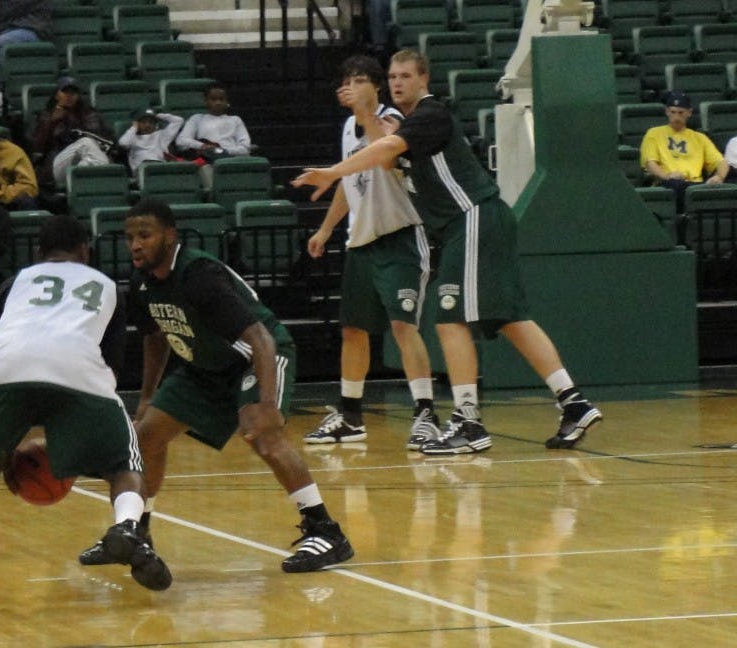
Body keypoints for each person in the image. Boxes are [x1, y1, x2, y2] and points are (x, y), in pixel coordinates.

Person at [292, 49, 602, 455]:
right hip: (478, 222)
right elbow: (384, 163)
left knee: (448, 319)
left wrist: (333, 171)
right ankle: (573, 402)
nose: (398, 82)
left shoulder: (429, 115)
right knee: (511, 318)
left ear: (424, 78)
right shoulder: (396, 126)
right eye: (393, 76)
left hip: (471, 217)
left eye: (406, 75)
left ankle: (468, 422)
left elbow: (386, 152)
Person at [77, 198, 354, 573]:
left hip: (254, 357)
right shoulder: (142, 283)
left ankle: (325, 530)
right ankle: (136, 531)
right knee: (145, 439)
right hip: (204, 367)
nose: (136, 244)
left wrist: (267, 403)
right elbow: (155, 337)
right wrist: (146, 397)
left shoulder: (198, 274)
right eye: (129, 238)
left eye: (144, 235)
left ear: (170, 236)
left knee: (262, 434)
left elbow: (260, 338)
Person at [0, 214, 171, 600]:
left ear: (38, 253)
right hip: (77, 368)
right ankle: (127, 528)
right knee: (125, 463)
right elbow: (111, 364)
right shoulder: (106, 286)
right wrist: (69, 430)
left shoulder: (13, 283)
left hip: (7, 368)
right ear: (85, 250)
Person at [304, 55, 440, 451]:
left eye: (360, 79)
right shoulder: (349, 127)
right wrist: (327, 228)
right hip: (361, 242)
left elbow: (386, 154)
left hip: (399, 236)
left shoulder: (393, 118)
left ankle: (425, 414)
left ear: (376, 86)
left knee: (403, 327)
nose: (351, 85)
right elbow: (350, 178)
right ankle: (350, 414)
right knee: (352, 330)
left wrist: (365, 112)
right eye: (347, 80)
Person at [640, 91, 729, 214]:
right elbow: (650, 164)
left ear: (689, 113)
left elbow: (721, 162)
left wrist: (719, 177)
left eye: (681, 112)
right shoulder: (654, 133)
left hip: (695, 185)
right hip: (667, 183)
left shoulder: (699, 137)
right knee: (677, 185)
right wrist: (667, 176)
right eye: (673, 112)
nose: (676, 116)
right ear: (667, 112)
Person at [34, 76, 117, 189]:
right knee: (86, 142)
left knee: (86, 164)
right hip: (58, 164)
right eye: (65, 92)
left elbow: (107, 139)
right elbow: (38, 148)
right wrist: (52, 123)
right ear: (56, 95)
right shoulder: (47, 115)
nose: (69, 96)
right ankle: (108, 175)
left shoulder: (89, 114)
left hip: (84, 162)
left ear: (78, 96)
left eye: (73, 92)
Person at [174, 82, 252, 189]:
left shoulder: (235, 120)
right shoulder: (197, 119)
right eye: (214, 99)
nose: (218, 102)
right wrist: (203, 146)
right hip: (208, 160)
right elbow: (181, 141)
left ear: (227, 101)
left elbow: (245, 148)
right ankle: (214, 195)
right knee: (204, 168)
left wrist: (224, 151)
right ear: (206, 101)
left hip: (232, 159)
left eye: (221, 99)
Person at [117, 108, 184, 175]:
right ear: (137, 123)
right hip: (141, 171)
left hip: (160, 167)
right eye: (144, 122)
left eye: (151, 122)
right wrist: (134, 127)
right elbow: (123, 143)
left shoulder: (162, 135)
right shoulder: (132, 137)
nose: (147, 125)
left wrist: (158, 115)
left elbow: (179, 121)